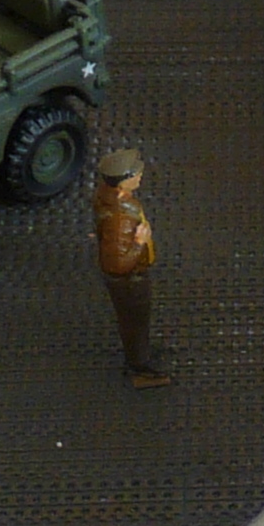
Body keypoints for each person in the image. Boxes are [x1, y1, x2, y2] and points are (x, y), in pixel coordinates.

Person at [93, 149, 170, 387]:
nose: (140, 177)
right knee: (135, 323)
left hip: (130, 278)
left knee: (136, 323)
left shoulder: (110, 198)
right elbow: (117, 265)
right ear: (122, 180)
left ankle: (142, 356)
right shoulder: (121, 219)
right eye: (136, 174)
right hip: (130, 281)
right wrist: (138, 243)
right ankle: (140, 369)